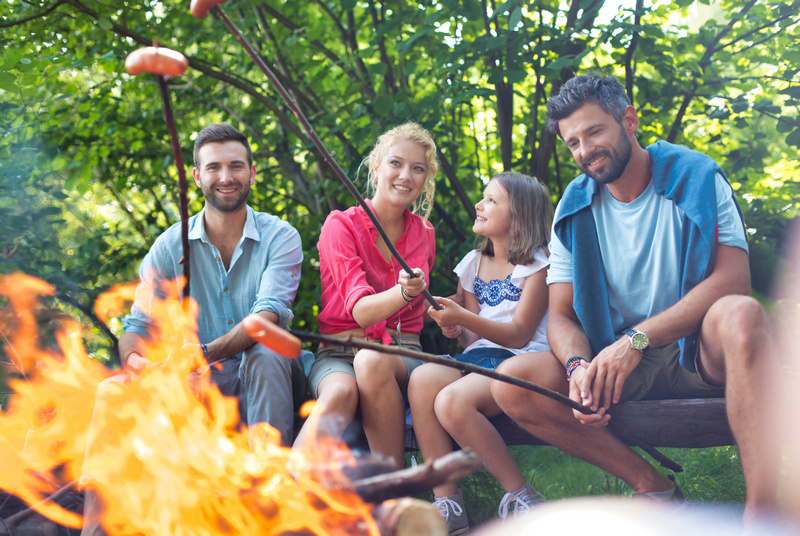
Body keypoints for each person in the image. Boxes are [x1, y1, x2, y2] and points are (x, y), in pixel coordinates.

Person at [491, 73, 778, 520]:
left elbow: (732, 281)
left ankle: (762, 518)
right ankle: (653, 487)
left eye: (594, 132)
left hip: (695, 349)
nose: (585, 151)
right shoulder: (574, 206)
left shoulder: (696, 176)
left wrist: (637, 340)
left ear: (629, 120)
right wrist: (576, 366)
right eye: (572, 143)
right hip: (617, 365)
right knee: (512, 381)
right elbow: (561, 316)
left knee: (741, 314)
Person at [118, 122, 304, 445]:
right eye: (214, 167)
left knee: (267, 349)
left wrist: (203, 353)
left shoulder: (281, 237)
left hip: (271, 380)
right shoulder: (168, 247)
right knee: (119, 389)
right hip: (200, 387)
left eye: (236, 166)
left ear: (252, 172)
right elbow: (136, 329)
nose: (226, 177)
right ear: (197, 176)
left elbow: (264, 321)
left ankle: (270, 480)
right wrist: (150, 368)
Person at [408, 173, 553, 534]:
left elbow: (519, 335)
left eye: (491, 200)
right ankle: (448, 503)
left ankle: (523, 498)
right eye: (483, 198)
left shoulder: (538, 265)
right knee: (423, 376)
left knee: (451, 402)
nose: (479, 204)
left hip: (522, 361)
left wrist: (463, 316)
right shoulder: (472, 263)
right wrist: (454, 326)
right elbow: (472, 339)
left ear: (518, 215)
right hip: (482, 359)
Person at [294, 122, 438, 469]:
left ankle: (390, 491)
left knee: (372, 361)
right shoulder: (340, 225)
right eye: (396, 163)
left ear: (425, 180)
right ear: (376, 168)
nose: (406, 175)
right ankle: (281, 490)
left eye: (418, 169)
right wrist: (403, 292)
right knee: (341, 392)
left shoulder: (424, 233)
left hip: (404, 352)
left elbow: (416, 309)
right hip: (339, 353)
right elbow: (361, 312)